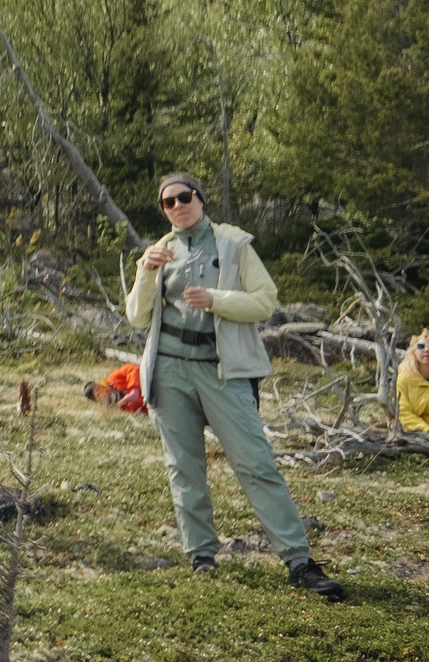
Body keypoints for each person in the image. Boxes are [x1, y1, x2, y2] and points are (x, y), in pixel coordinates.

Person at [127, 173, 342, 598]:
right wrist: (146, 272)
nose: (177, 207)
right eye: (167, 203)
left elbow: (265, 301)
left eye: (184, 197)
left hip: (221, 368)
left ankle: (299, 560)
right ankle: (201, 556)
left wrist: (216, 299)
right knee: (183, 466)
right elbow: (137, 315)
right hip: (169, 370)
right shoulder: (158, 251)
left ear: (200, 199)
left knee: (255, 463)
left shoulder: (233, 244)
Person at [398, 330, 429, 435]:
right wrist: (425, 429)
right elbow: (402, 412)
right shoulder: (404, 379)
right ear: (413, 351)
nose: (427, 350)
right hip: (419, 435)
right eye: (421, 346)